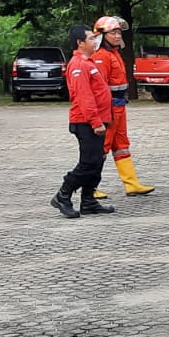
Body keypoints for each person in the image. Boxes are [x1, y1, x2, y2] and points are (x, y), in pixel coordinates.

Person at [51, 24, 116, 219]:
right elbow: (84, 97)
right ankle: (63, 194)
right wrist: (95, 122)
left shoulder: (89, 62)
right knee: (89, 162)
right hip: (86, 122)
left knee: (97, 162)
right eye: (90, 39)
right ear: (80, 43)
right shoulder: (79, 65)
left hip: (98, 121)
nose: (94, 42)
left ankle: (88, 200)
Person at [92, 16, 154, 197]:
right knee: (102, 147)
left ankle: (132, 184)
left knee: (121, 146)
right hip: (109, 107)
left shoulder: (115, 53)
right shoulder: (101, 56)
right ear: (103, 35)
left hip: (119, 106)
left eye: (119, 32)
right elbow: (100, 87)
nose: (118, 36)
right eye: (114, 32)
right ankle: (90, 187)